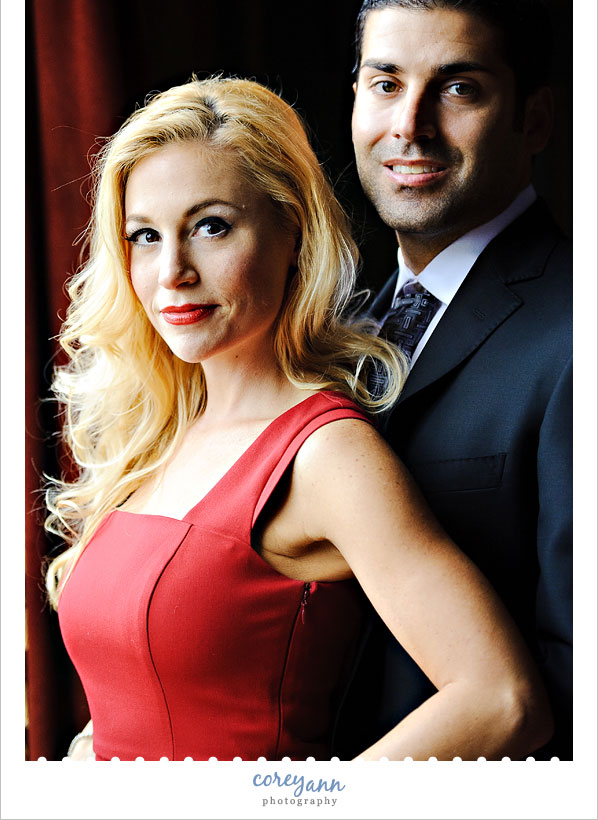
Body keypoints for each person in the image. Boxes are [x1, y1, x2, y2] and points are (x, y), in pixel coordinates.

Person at [46, 76, 553, 762]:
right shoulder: (159, 436)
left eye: (212, 226)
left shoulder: (327, 453)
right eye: (144, 235)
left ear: (294, 235)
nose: (172, 271)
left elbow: (500, 700)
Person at [347, 0, 572, 759]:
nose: (410, 124)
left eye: (459, 87)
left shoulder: (576, 335)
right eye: (385, 83)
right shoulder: (336, 331)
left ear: (534, 120)